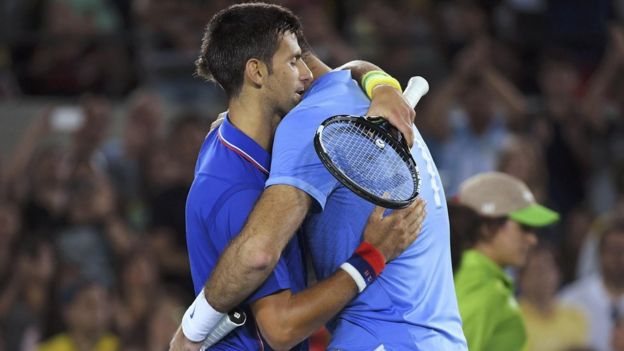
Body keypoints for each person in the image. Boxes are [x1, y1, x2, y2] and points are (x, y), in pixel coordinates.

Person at [170, 3, 425, 350]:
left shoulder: (228, 134)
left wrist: (382, 86)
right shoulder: (237, 192)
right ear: (257, 73)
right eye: (293, 61)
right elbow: (281, 329)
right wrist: (372, 256)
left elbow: (342, 73)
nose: (307, 73)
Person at [451, 172, 560, 351]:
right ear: (487, 228)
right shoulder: (481, 284)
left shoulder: (477, 276)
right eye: (525, 227)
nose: (532, 239)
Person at [558, 219, 624, 351]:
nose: (618, 257)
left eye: (623, 250)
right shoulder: (571, 299)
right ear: (600, 253)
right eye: (612, 250)